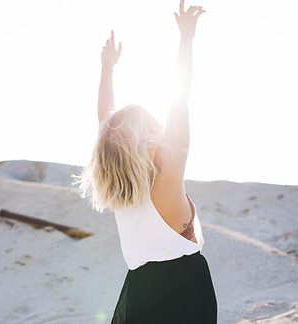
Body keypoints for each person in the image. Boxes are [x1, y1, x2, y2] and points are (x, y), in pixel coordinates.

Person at [79, 0, 217, 322]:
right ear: (146, 137)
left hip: (137, 290)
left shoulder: (120, 190)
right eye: (154, 126)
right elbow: (179, 100)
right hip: (185, 289)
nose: (160, 131)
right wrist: (186, 39)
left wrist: (107, 68)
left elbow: (105, 120)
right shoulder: (167, 172)